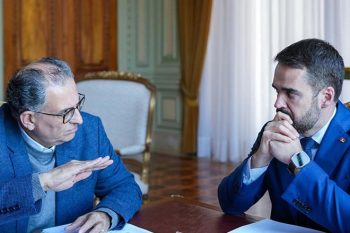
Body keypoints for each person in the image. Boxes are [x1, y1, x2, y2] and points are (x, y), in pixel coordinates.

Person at [218, 38, 350, 233]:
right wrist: (258, 160)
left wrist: (298, 162)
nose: (278, 103)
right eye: (277, 91)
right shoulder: (276, 130)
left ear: (326, 97)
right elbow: (230, 205)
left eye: (290, 93)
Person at [0, 57, 142, 233]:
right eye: (66, 112)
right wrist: (43, 182)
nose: (79, 119)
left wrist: (106, 214)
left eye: (78, 105)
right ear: (29, 119)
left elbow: (125, 186)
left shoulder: (89, 130)